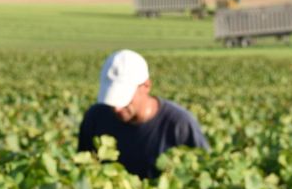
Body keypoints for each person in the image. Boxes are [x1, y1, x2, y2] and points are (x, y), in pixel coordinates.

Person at [77, 50, 208, 179]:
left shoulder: (179, 124)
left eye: (123, 98)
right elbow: (83, 172)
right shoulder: (95, 117)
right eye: (111, 99)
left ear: (146, 86)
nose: (116, 108)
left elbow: (203, 173)